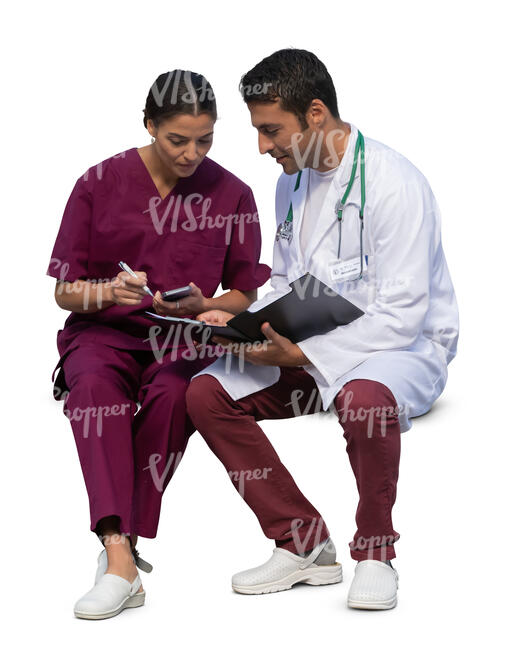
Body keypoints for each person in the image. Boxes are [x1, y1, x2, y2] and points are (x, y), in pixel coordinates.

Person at [185, 49, 459, 610]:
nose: (262, 147)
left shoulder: (395, 182)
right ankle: (302, 542)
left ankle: (377, 553)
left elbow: (404, 313)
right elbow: (288, 281)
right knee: (205, 392)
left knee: (362, 401)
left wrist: (300, 359)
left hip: (399, 349)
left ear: (315, 114)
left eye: (271, 130)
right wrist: (240, 323)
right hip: (307, 344)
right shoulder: (291, 183)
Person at [46, 69, 271, 620]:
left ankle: (122, 552)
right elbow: (63, 291)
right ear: (149, 125)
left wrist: (204, 307)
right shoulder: (98, 182)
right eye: (177, 140)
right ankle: (119, 554)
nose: (192, 153)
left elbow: (245, 290)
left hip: (180, 340)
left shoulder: (234, 194)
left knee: (175, 399)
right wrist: (105, 290)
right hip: (104, 334)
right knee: (95, 393)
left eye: (206, 140)